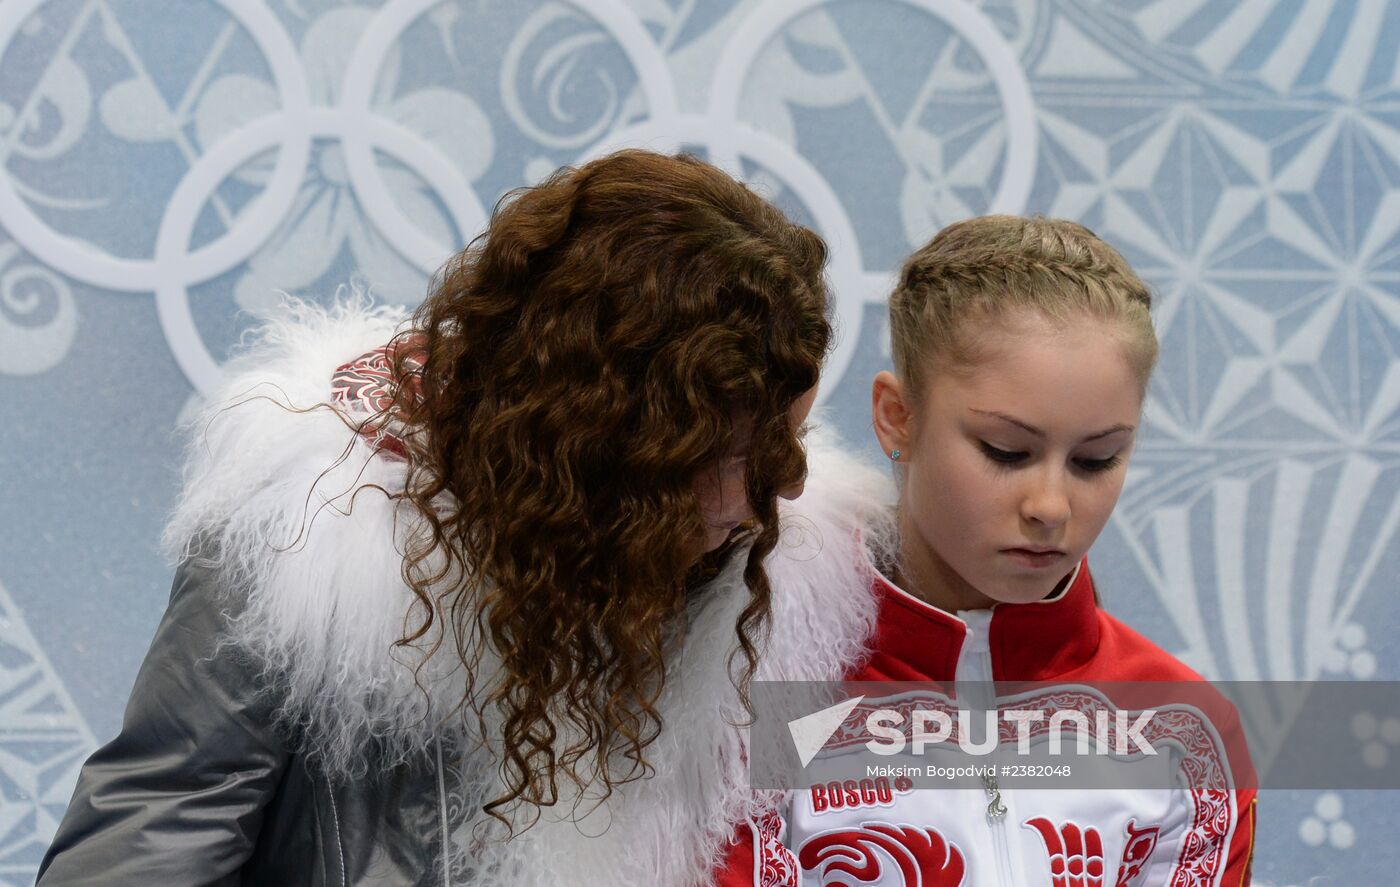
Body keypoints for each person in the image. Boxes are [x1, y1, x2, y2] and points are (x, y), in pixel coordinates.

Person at [37, 150, 890, 886]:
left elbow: (940, 769)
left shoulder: (780, 579)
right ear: (608, 442)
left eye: (789, 438)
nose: (771, 496)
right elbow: (152, 833)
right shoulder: (310, 541)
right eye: (729, 456)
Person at [715, 216, 1257, 885]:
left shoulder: (1187, 737)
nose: (1051, 505)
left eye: (1096, 459)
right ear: (897, 416)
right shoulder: (746, 705)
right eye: (1007, 450)